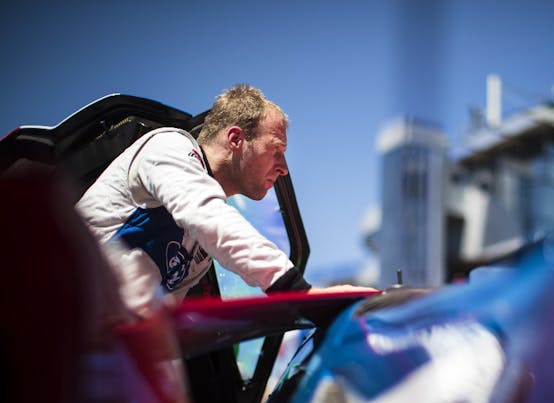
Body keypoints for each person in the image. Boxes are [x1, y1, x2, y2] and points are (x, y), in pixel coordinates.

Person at [77, 84, 369, 320]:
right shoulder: (169, 148)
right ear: (235, 139)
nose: (284, 168)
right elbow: (208, 216)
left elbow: (161, 319)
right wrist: (298, 293)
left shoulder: (200, 244)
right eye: (276, 150)